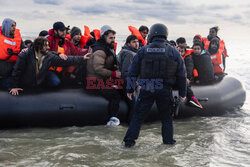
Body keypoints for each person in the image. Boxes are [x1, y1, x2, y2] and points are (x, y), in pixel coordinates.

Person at [123, 23, 187, 148]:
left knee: (137, 117)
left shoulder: (143, 50)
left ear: (152, 34)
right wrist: (182, 94)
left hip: (147, 88)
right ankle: (168, 143)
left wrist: (130, 89)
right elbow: (182, 75)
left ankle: (129, 143)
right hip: (164, 89)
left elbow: (132, 71)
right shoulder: (173, 51)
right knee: (166, 118)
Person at [9, 37, 90, 95]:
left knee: (55, 82)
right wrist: (14, 86)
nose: (48, 47)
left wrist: (82, 58)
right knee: (6, 82)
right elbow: (17, 71)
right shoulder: (25, 55)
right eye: (46, 46)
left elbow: (67, 60)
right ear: (39, 47)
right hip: (25, 82)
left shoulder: (48, 57)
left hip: (36, 82)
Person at [86, 26, 122, 126]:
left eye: (114, 38)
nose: (113, 40)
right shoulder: (100, 51)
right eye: (111, 38)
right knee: (115, 95)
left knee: (123, 85)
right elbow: (98, 69)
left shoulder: (106, 49)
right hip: (94, 81)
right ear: (104, 37)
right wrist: (113, 73)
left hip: (102, 79)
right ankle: (112, 119)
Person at [46, 21, 88, 86]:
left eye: (64, 30)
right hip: (48, 69)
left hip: (61, 70)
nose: (64, 32)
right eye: (61, 31)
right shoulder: (49, 39)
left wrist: (89, 51)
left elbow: (76, 50)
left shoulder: (65, 41)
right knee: (56, 82)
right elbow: (45, 52)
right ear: (55, 31)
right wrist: (58, 54)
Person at [0, 18, 26, 89]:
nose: (14, 28)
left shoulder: (18, 40)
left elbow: (25, 48)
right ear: (6, 26)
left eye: (15, 26)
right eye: (12, 26)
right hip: (2, 70)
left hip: (13, 69)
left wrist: (25, 50)